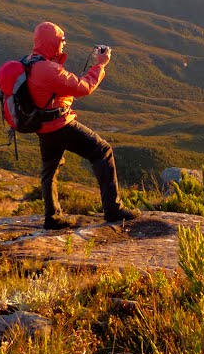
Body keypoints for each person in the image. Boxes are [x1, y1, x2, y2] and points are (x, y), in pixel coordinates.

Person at [27, 21, 140, 230]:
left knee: (50, 170)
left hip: (42, 126)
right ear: (51, 42)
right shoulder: (48, 69)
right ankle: (113, 210)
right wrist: (100, 65)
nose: (63, 44)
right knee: (102, 151)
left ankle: (52, 217)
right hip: (59, 125)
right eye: (61, 41)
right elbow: (83, 87)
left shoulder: (31, 62)